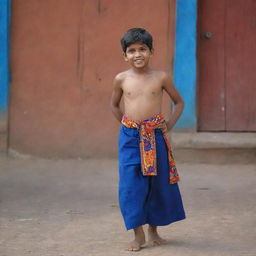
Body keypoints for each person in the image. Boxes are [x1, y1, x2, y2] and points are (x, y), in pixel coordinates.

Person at [110, 27, 186, 251]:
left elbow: (179, 102)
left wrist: (168, 126)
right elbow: (114, 105)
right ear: (125, 55)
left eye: (142, 49)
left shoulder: (161, 78)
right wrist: (128, 126)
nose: (137, 54)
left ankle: (154, 230)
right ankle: (138, 233)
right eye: (131, 50)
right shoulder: (121, 79)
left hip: (155, 136)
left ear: (151, 51)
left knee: (157, 183)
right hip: (131, 138)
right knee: (131, 185)